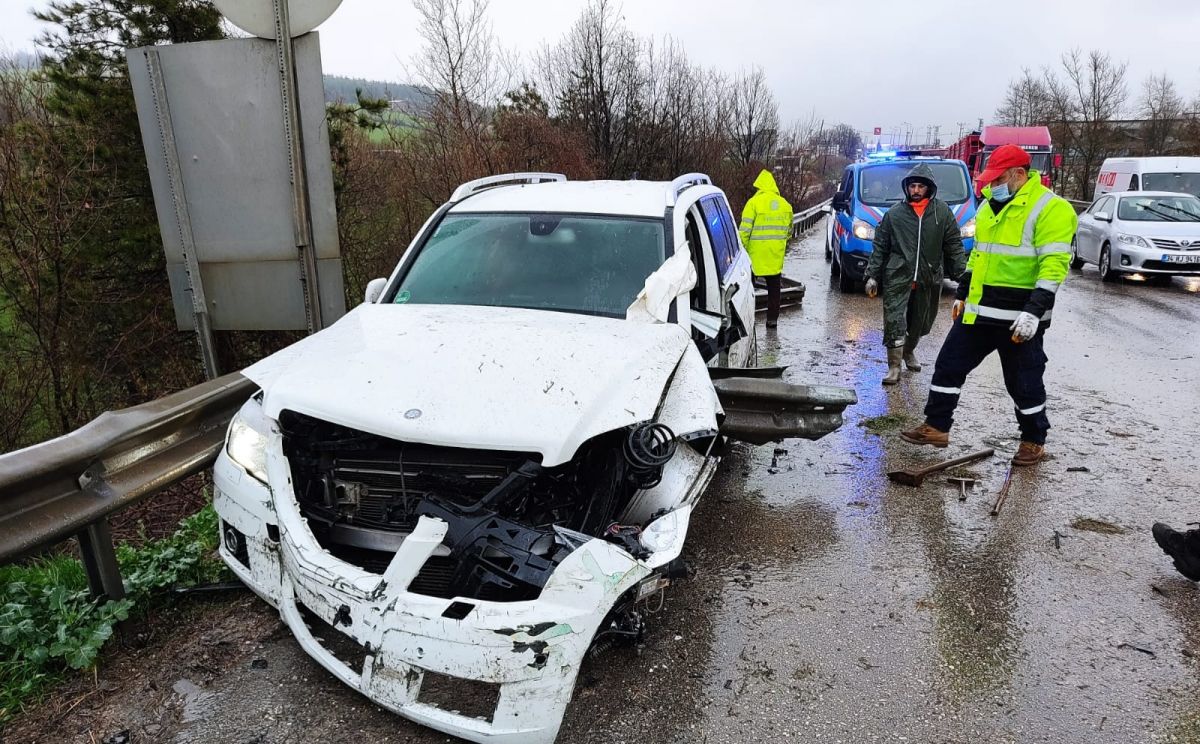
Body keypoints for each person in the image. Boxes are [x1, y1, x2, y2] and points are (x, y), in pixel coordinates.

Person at [900, 144, 1077, 466]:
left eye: (997, 180)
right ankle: (937, 427)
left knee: (1023, 383)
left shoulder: (1052, 209)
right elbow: (978, 257)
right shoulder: (987, 209)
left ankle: (1033, 441)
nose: (990, 187)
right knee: (948, 367)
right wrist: (963, 294)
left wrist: (1034, 311)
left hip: (1018, 318)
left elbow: (1054, 265)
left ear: (1020, 175)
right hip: (979, 311)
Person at [864, 163, 967, 385]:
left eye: (920, 186)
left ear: (929, 188)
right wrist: (873, 275)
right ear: (907, 188)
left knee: (921, 322)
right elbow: (880, 246)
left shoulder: (942, 213)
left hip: (929, 278)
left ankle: (908, 351)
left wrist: (964, 277)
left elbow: (954, 245)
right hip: (898, 276)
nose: (916, 190)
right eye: (912, 186)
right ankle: (894, 367)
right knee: (894, 320)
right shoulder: (894, 214)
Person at [739, 169, 794, 328]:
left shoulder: (753, 203)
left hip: (754, 256)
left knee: (748, 290)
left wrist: (741, 251)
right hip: (774, 255)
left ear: (760, 186)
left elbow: (744, 231)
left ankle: (748, 320)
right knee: (774, 291)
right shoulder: (785, 205)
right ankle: (772, 320)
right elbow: (789, 231)